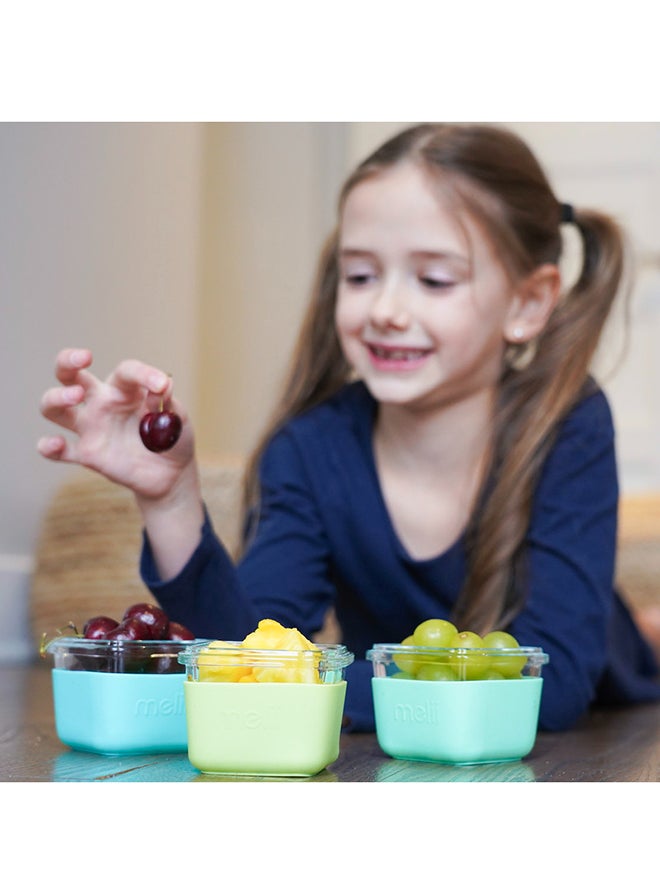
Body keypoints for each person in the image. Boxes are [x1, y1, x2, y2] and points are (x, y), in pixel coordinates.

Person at [38, 123, 660, 732]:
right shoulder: (308, 450)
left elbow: (552, 690)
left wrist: (314, 682)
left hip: (616, 687)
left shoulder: (568, 419)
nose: (385, 311)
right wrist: (169, 499)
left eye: (434, 279)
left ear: (527, 304)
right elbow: (250, 659)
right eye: (361, 276)